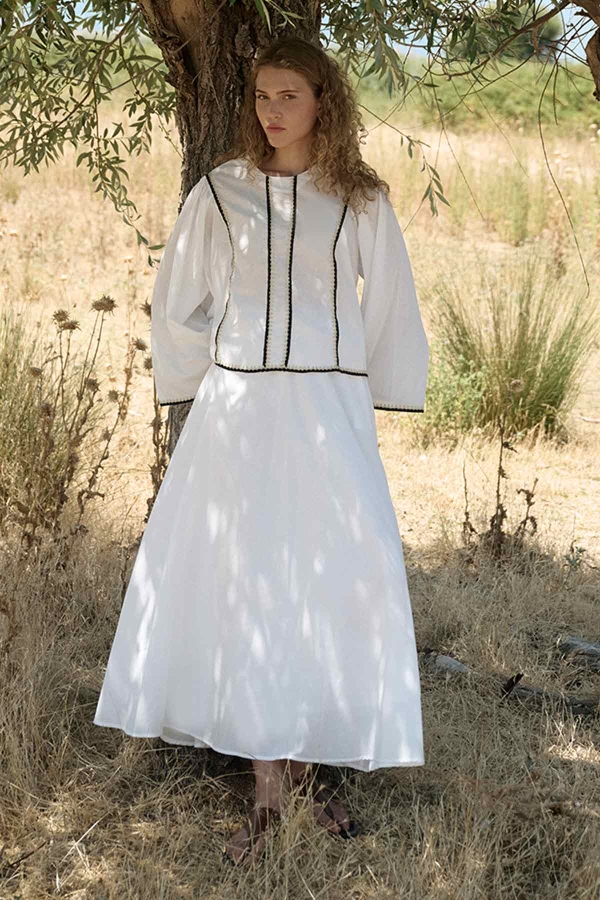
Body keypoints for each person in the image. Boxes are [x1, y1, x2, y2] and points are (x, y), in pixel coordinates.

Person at [93, 34, 430, 867]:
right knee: (243, 578)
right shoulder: (222, 191)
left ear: (323, 102)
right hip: (238, 413)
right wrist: (214, 366)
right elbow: (178, 300)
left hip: (326, 410)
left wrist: (362, 381)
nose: (271, 111)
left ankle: (309, 770)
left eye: (289, 96)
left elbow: (390, 301)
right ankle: (268, 791)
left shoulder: (359, 199)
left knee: (324, 576)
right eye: (261, 96)